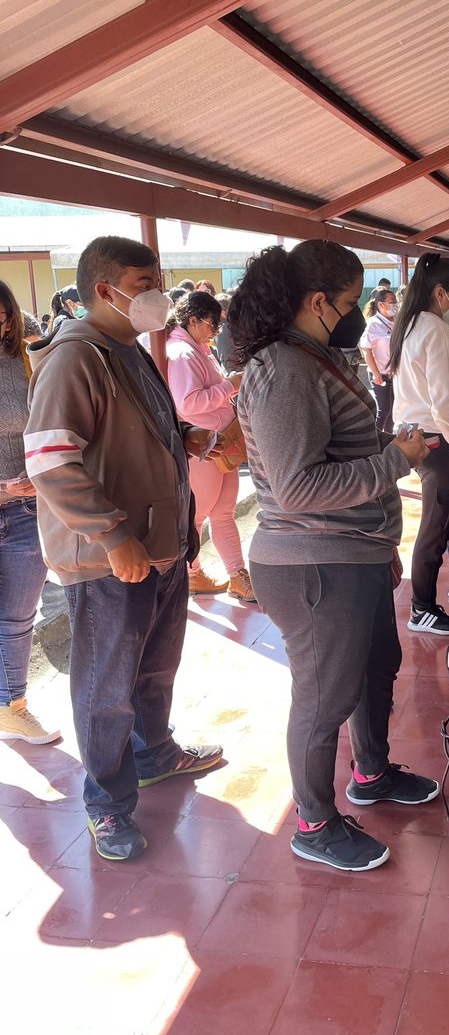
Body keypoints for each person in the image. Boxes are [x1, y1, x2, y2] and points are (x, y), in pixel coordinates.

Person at [228, 239, 436, 873]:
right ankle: (314, 822)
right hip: (313, 562)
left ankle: (370, 774)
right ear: (317, 302)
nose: (355, 312)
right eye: (347, 302)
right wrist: (396, 459)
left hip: (353, 552)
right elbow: (297, 487)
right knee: (324, 696)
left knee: (376, 666)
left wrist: (381, 451)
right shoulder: (286, 369)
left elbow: (334, 451)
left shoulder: (316, 356)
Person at [24, 236, 224, 862]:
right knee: (107, 683)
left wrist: (187, 438)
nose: (159, 294)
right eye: (146, 282)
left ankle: (154, 753)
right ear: (105, 290)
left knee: (155, 665)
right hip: (111, 553)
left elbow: (135, 431)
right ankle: (107, 803)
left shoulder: (127, 350)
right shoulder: (74, 357)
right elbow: (51, 461)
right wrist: (112, 533)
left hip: (158, 543)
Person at [389, 254, 449, 635]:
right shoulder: (437, 332)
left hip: (423, 436)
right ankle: (422, 607)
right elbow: (445, 402)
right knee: (435, 528)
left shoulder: (411, 324)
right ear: (440, 293)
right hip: (442, 442)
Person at [165, 291, 254, 602]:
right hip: (203, 447)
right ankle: (193, 573)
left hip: (218, 443)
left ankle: (236, 575)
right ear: (193, 320)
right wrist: (230, 385)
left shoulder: (196, 348)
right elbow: (188, 403)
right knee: (198, 514)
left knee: (222, 512)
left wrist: (227, 386)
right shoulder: (181, 353)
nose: (217, 331)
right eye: (213, 324)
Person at [0, 282, 59, 745]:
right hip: (9, 496)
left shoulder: (26, 359)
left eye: (3, 316)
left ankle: (11, 705)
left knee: (19, 616)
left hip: (26, 506)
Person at [359, 287, 397, 433]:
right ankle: (375, 439)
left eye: (395, 302)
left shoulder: (395, 320)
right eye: (391, 302)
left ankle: (387, 440)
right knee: (384, 411)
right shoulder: (373, 324)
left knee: (393, 411)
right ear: (380, 305)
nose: (395, 305)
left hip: (393, 373)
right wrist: (376, 375)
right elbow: (366, 350)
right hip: (379, 374)